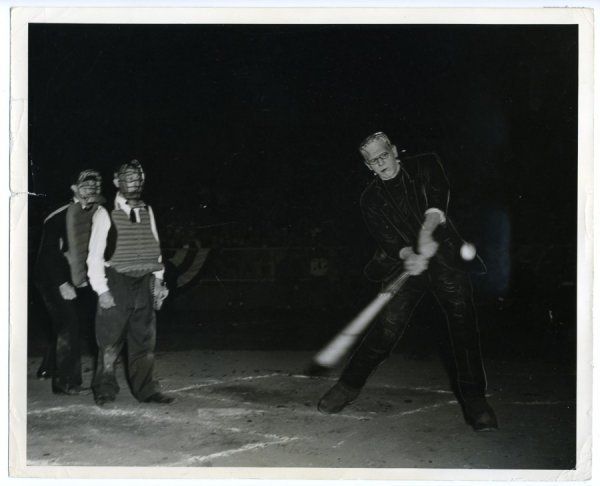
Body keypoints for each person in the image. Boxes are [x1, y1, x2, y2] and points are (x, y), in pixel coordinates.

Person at [317, 132, 498, 431]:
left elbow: (437, 207)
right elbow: (387, 240)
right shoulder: (370, 199)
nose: (380, 163)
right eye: (373, 161)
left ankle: (476, 402)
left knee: (462, 324)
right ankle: (348, 386)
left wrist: (426, 234)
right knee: (387, 328)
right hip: (409, 265)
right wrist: (407, 254)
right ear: (368, 167)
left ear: (394, 150)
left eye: (383, 155)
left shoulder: (427, 165)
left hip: (445, 259)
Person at [87, 159, 173, 406]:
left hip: (144, 281)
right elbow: (94, 256)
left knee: (144, 340)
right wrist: (102, 290)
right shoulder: (105, 214)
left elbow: (154, 247)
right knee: (110, 340)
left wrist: (159, 281)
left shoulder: (148, 210)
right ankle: (104, 390)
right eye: (129, 178)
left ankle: (146, 390)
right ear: (117, 182)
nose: (134, 182)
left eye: (137, 178)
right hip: (116, 280)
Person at [35, 169, 104, 394]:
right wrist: (62, 283)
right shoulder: (59, 214)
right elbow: (48, 254)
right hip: (52, 278)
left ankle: (48, 367)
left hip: (78, 279)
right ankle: (66, 383)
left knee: (70, 324)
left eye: (95, 186)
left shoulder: (97, 212)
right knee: (69, 323)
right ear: (74, 188)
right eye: (85, 186)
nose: (91, 190)